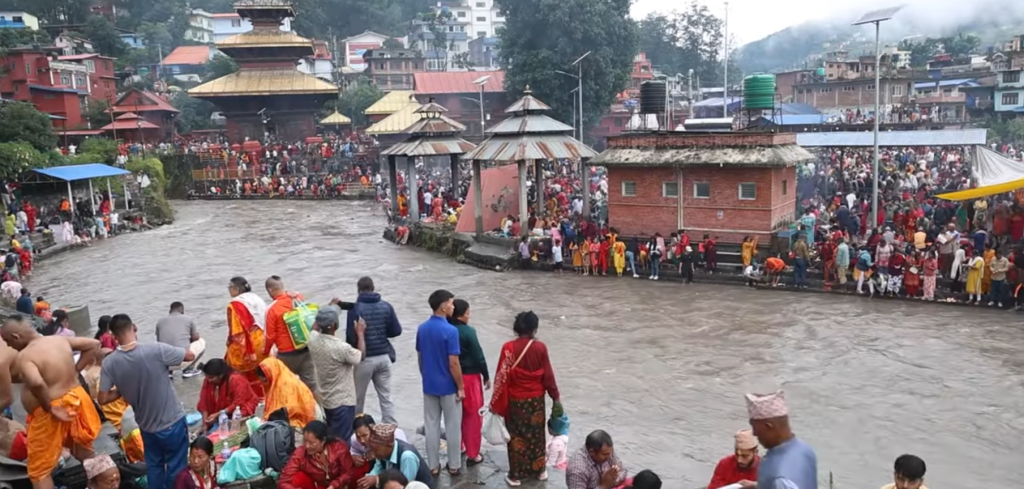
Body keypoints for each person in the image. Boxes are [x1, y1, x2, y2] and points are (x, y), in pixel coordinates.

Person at [1, 315, 102, 489]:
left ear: (16, 337)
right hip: (77, 400)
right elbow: (94, 344)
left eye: (8, 341)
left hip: (52, 412)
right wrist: (75, 370)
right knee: (85, 452)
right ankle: (107, 482)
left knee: (40, 471)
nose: (8, 346)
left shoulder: (25, 356)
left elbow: (36, 382)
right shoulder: (58, 340)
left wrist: (50, 408)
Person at [98, 313, 195, 489]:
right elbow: (189, 356)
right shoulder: (156, 350)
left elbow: (103, 398)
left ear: (114, 336)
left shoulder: (109, 363)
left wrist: (121, 390)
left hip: (146, 427)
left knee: (155, 467)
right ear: (134, 328)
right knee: (176, 466)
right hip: (171, 422)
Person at [490, 311, 560, 486]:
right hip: (536, 400)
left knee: (516, 438)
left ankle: (515, 476)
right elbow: (548, 377)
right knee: (536, 435)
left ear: (516, 328)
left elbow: (501, 378)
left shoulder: (508, 348)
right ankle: (540, 470)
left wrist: (495, 404)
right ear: (534, 329)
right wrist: (556, 397)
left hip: (515, 401)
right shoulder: (540, 348)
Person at [415, 289, 463, 477]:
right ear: (443, 306)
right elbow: (453, 363)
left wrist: (425, 375)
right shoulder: (451, 331)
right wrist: (460, 386)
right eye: (451, 303)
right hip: (449, 386)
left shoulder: (422, 328)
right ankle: (454, 465)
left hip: (429, 384)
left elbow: (420, 356)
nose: (453, 306)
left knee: (431, 425)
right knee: (452, 425)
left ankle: (433, 465)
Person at [346, 276, 401, 424]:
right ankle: (391, 430)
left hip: (364, 360)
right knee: (386, 398)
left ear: (359, 290)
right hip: (384, 358)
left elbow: (351, 338)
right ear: (373, 288)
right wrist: (381, 332)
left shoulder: (355, 309)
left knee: (358, 398)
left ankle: (357, 430)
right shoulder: (386, 306)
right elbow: (396, 331)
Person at [308, 305, 365, 442]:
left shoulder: (312, 340)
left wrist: (327, 309)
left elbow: (314, 328)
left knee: (332, 438)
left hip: (326, 399)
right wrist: (360, 334)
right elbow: (360, 356)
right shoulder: (341, 347)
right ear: (334, 325)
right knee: (343, 441)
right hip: (343, 401)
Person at [745, 390, 818, 489]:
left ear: (769, 426)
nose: (754, 433)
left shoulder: (780, 478)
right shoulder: (804, 449)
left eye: (755, 428)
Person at [448, 299, 489, 466]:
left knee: (455, 416)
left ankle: (458, 447)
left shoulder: (447, 329)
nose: (469, 316)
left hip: (450, 377)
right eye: (468, 313)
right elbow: (478, 355)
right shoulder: (468, 332)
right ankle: (473, 454)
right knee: (472, 416)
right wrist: (486, 375)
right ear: (461, 315)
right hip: (470, 378)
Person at [264, 275, 317, 390]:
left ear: (269, 290)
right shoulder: (297, 298)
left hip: (286, 355)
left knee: (286, 387)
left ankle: (294, 407)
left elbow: (270, 336)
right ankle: (320, 408)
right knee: (312, 387)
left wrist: (265, 352)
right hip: (305, 349)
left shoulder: (272, 309)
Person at [225, 276, 268, 398]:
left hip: (251, 343)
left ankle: (248, 395)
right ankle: (265, 394)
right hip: (264, 341)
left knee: (232, 361)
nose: (229, 290)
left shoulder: (235, 304)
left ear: (236, 289)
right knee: (262, 369)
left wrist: (230, 344)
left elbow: (237, 332)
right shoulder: (256, 298)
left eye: (230, 287)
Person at [280, 420, 355, 489]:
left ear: (323, 441)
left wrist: (334, 485)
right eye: (305, 441)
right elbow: (283, 481)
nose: (307, 446)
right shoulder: (300, 453)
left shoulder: (338, 447)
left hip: (338, 486)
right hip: (317, 486)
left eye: (312, 443)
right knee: (297, 477)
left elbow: (348, 473)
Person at [358, 423, 433, 489]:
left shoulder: (407, 457)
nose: (373, 454)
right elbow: (377, 468)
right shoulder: (381, 452)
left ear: (389, 446)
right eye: (372, 449)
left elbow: (404, 485)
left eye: (376, 450)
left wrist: (377, 479)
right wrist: (366, 481)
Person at [196, 359, 259, 432]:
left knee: (238, 415)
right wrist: (205, 424)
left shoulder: (236, 379)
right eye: (207, 377)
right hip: (224, 410)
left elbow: (239, 402)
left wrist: (218, 414)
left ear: (221, 375)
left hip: (241, 407)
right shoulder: (208, 380)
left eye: (211, 378)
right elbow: (204, 401)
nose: (209, 380)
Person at [256, 356, 317, 429]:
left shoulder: (286, 385)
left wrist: (271, 418)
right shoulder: (277, 382)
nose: (265, 384)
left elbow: (292, 408)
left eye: (266, 380)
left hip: (300, 417)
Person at [350, 414, 408, 483]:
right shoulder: (354, 440)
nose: (362, 440)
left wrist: (377, 479)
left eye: (365, 435)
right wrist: (353, 457)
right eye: (358, 437)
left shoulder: (395, 435)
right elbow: (353, 452)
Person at [155, 302, 205, 377]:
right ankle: (189, 369)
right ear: (181, 310)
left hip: (165, 362)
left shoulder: (160, 321)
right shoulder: (188, 319)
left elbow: (159, 341)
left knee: (165, 345)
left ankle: (169, 372)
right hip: (183, 359)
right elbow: (195, 338)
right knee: (201, 341)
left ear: (170, 311)